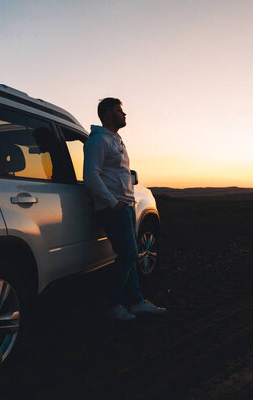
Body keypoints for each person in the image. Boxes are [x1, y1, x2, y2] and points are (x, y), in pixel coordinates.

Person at [83, 98, 166, 320]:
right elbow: (91, 175)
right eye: (120, 110)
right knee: (128, 253)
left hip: (126, 206)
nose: (124, 114)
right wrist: (112, 202)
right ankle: (115, 304)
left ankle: (137, 302)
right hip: (114, 208)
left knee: (130, 255)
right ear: (108, 114)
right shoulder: (99, 141)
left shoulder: (115, 140)